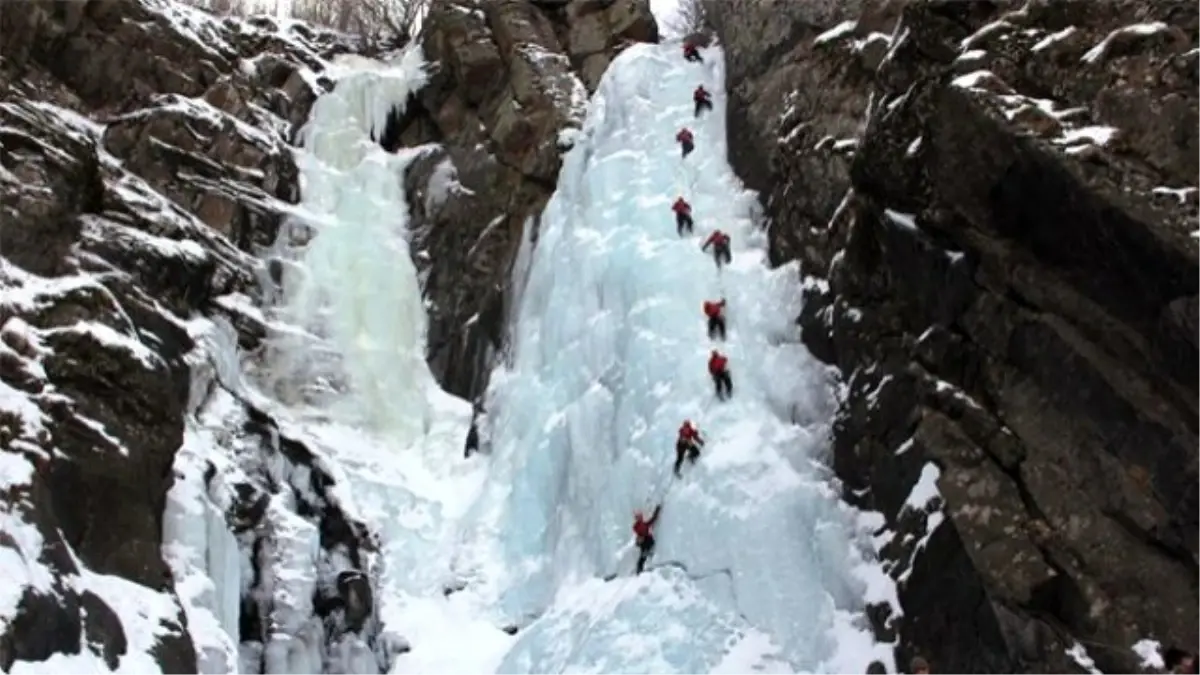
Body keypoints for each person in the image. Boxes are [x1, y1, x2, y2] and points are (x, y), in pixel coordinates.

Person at [632, 505, 663, 574]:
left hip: (645, 541)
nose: (641, 518)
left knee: (643, 555)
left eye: (640, 517)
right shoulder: (638, 526)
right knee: (643, 555)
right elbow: (651, 521)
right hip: (645, 541)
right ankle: (639, 569)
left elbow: (652, 520)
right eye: (639, 517)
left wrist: (657, 510)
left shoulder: (640, 525)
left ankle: (640, 569)